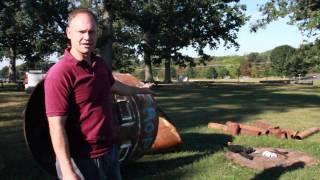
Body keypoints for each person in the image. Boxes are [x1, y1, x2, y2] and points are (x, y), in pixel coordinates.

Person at [44, 8, 153, 180]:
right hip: (80, 160)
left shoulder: (99, 64)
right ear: (68, 33)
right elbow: (56, 126)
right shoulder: (60, 74)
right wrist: (67, 171)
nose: (87, 37)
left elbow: (113, 86)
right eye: (82, 32)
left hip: (109, 152)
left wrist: (141, 90)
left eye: (92, 32)